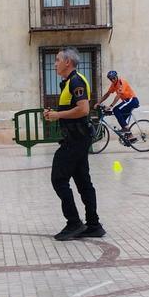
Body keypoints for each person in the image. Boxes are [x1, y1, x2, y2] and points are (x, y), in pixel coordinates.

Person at [44, 48, 104, 241]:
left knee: (58, 179)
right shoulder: (70, 82)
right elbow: (74, 109)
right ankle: (93, 225)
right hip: (77, 138)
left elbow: (83, 109)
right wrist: (55, 114)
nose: (55, 64)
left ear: (67, 62)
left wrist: (57, 115)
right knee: (83, 182)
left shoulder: (76, 81)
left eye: (57, 60)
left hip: (75, 140)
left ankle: (74, 223)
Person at [97, 70, 140, 139]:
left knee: (116, 109)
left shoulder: (121, 82)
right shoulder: (113, 85)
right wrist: (98, 102)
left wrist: (111, 106)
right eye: (111, 79)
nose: (113, 80)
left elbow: (119, 95)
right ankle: (130, 136)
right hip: (127, 102)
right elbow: (107, 94)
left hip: (132, 100)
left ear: (116, 76)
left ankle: (126, 130)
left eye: (114, 78)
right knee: (120, 118)